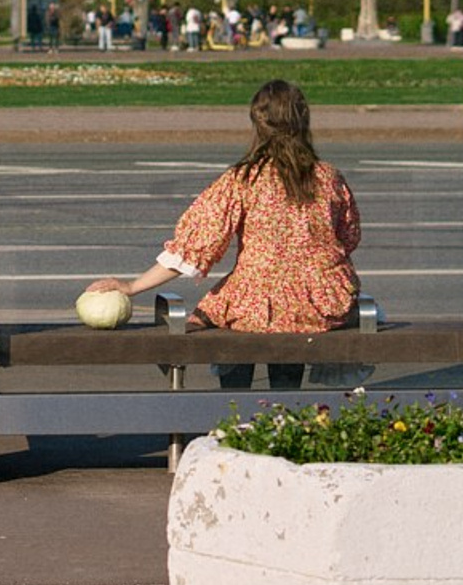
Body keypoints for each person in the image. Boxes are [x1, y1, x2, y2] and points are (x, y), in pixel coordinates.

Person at [81, 79, 361, 389]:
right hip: (322, 302)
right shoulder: (329, 176)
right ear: (303, 121)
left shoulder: (243, 178)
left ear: (258, 124)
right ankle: (283, 408)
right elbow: (348, 238)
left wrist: (132, 286)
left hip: (259, 301)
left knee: (224, 317)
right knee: (285, 327)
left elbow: (193, 248)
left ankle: (233, 410)